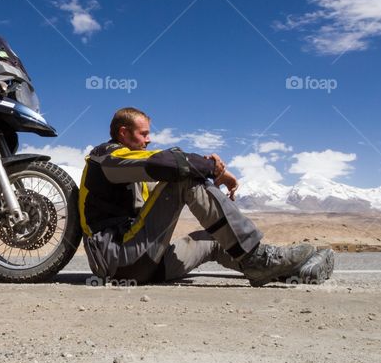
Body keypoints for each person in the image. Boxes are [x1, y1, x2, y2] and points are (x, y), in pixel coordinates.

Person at [79, 107, 334, 286]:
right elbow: (167, 163)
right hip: (119, 261)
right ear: (123, 133)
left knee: (213, 241)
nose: (149, 139)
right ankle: (260, 257)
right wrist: (214, 170)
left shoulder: (131, 169)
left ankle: (291, 271)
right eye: (143, 134)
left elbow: (162, 166)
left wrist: (211, 173)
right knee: (185, 177)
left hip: (149, 263)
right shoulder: (106, 157)